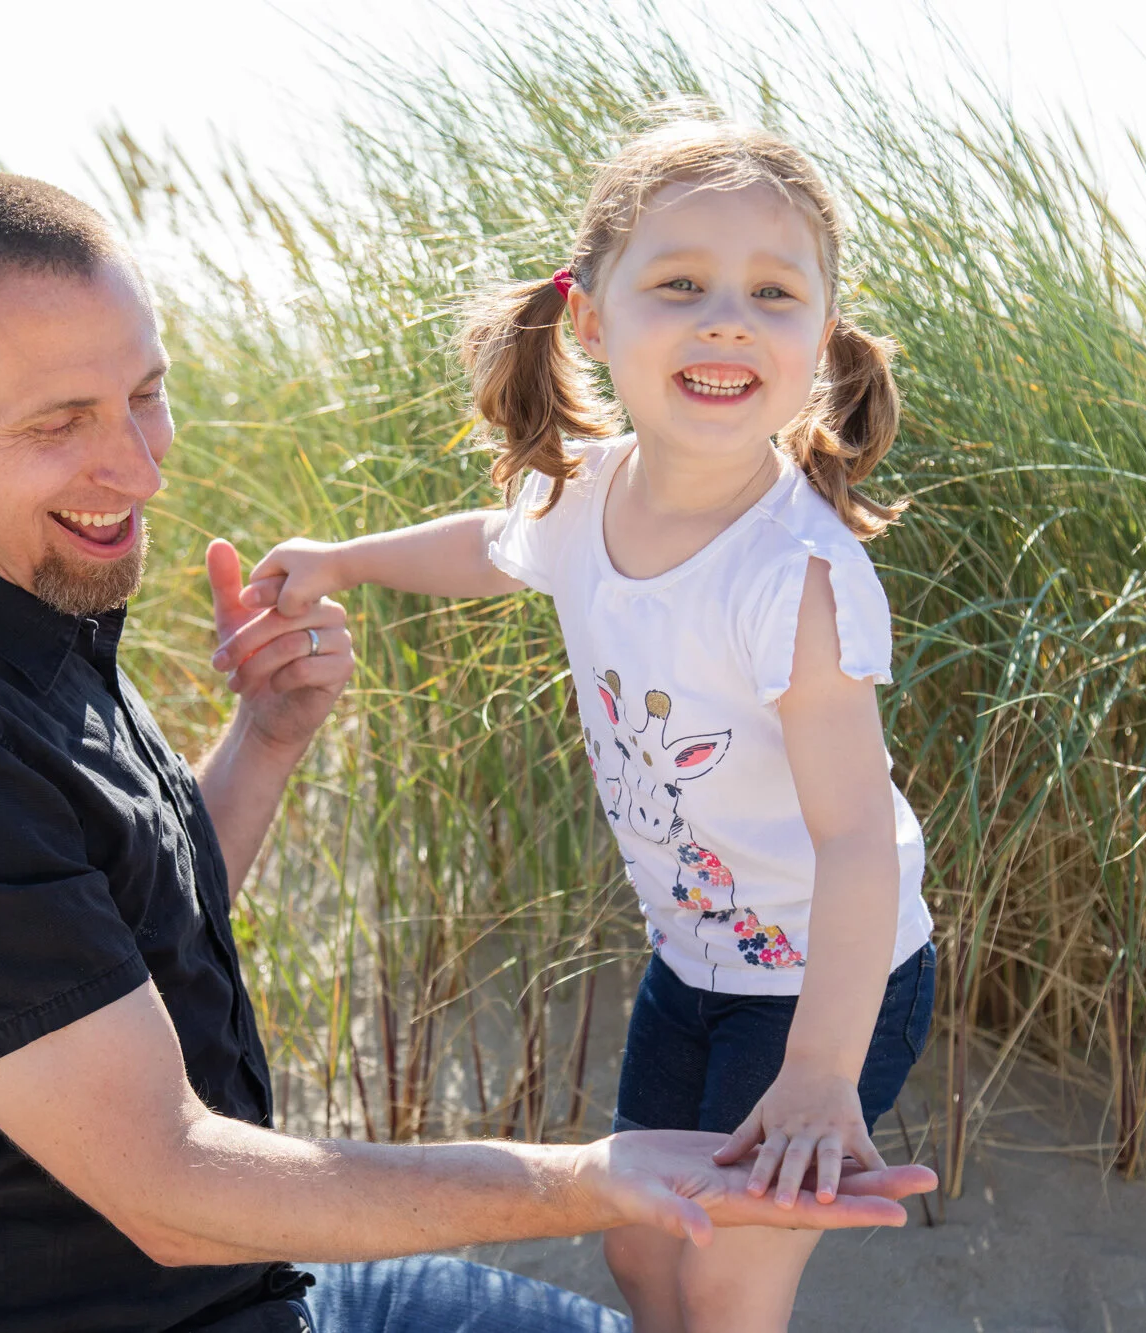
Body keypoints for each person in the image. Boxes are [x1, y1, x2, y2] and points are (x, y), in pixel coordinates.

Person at [0, 171, 935, 1333]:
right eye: (61, 422)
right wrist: (598, 1176)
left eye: (146, 395)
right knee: (665, 1245)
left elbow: (130, 938)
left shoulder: (24, 614)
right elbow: (169, 1189)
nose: (141, 467)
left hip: (254, 1285)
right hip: (118, 1307)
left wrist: (266, 739)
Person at [242, 108, 939, 1333]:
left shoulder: (799, 579)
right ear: (590, 315)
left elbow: (853, 843)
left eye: (773, 294)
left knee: (726, 1278)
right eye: (679, 282)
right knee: (641, 1254)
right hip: (691, 966)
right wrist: (342, 559)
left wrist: (819, 1074)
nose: (726, 316)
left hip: (832, 986)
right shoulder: (585, 493)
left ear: (819, 339)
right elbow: (490, 545)